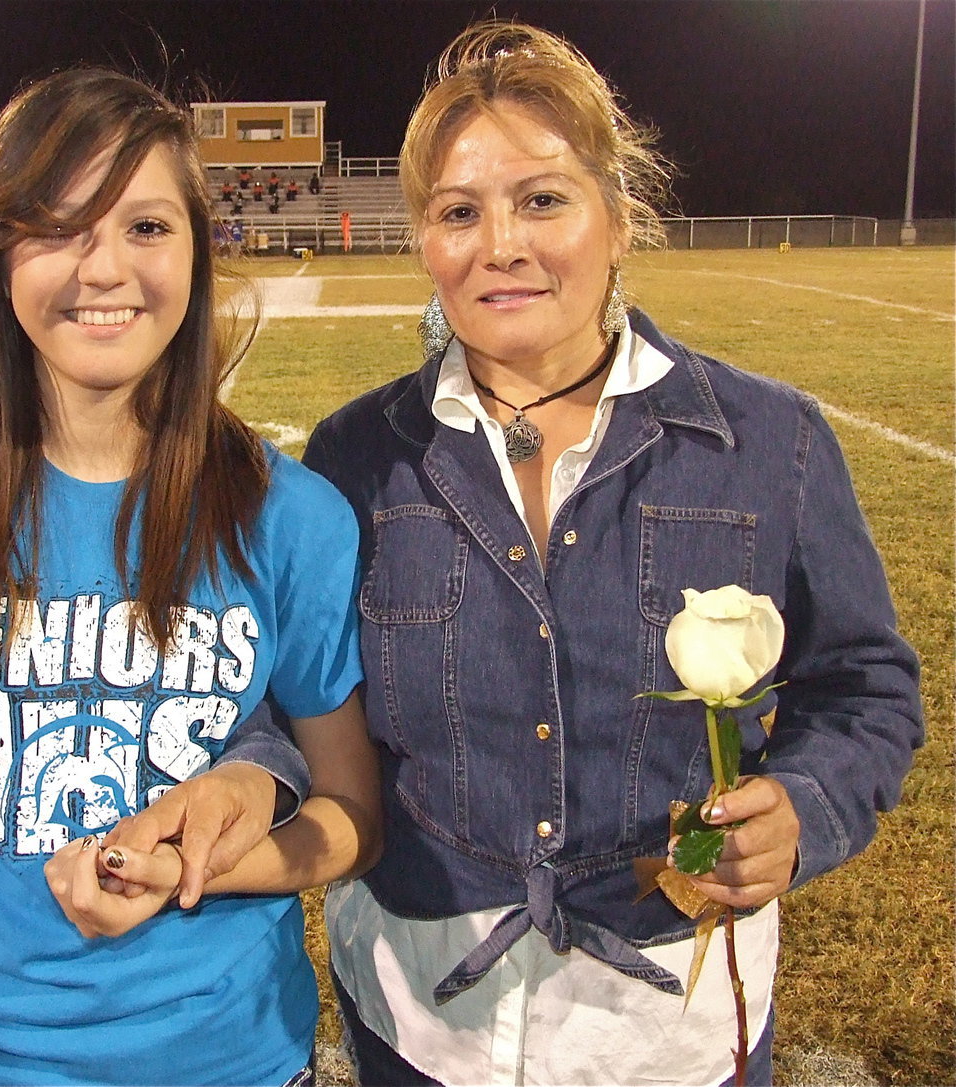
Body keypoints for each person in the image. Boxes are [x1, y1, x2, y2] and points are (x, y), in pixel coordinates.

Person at [299, 21, 923, 1087]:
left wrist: (802, 806)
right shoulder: (357, 457)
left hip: (666, 1039)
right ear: (423, 242)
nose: (501, 243)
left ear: (620, 217)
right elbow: (307, 712)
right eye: (459, 211)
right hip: (422, 1018)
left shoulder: (772, 442)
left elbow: (865, 687)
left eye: (543, 199)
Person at [0, 67, 381, 1087]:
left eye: (145, 226)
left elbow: (352, 812)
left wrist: (210, 864)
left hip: (238, 1059)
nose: (104, 267)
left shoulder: (292, 516)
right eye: (58, 225)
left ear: (196, 247)